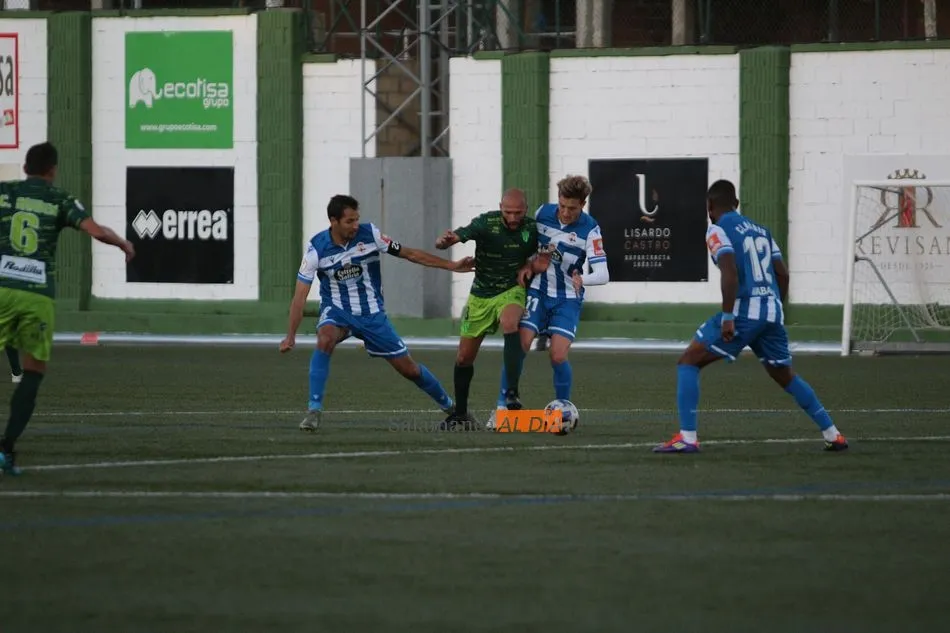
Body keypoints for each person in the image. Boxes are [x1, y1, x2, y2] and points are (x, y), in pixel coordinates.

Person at [653, 179, 848, 453]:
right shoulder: (762, 231)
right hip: (772, 312)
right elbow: (783, 274)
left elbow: (729, 271)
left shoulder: (717, 229)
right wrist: (773, 308)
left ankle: (687, 438)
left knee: (689, 361)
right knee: (785, 375)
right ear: (736, 203)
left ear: (709, 206)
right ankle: (833, 434)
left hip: (744, 312)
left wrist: (728, 316)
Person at [279, 194, 475, 431]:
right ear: (333, 221)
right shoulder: (316, 249)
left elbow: (410, 254)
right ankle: (313, 411)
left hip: (372, 315)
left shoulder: (371, 235)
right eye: (349, 221)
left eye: (356, 219)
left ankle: (454, 410)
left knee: (410, 370)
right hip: (338, 312)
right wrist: (290, 335)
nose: (355, 225)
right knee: (325, 338)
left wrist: (452, 266)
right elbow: (299, 296)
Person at [0, 142, 135, 476]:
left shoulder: (4, 193)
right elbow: (95, 231)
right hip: (36, 296)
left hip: (2, 289)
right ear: (53, 170)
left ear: (25, 168)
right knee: (32, 372)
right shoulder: (59, 199)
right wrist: (122, 243)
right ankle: (5, 450)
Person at [491, 175, 609, 417]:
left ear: (583, 205)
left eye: (572, 208)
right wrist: (526, 265)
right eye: (562, 205)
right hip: (538, 291)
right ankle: (503, 406)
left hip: (567, 299)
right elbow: (527, 244)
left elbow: (603, 274)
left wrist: (582, 279)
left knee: (558, 355)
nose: (565, 212)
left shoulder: (591, 229)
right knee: (520, 344)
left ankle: (563, 409)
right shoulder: (543, 213)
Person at [433, 188, 549, 430]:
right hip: (480, 296)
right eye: (508, 212)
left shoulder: (532, 229)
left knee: (510, 323)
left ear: (526, 210)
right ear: (500, 208)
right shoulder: (486, 223)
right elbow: (457, 236)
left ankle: (512, 393)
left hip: (511, 289)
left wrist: (530, 265)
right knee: (464, 358)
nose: (513, 217)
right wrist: (445, 242)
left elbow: (542, 256)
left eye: (518, 212)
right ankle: (460, 414)